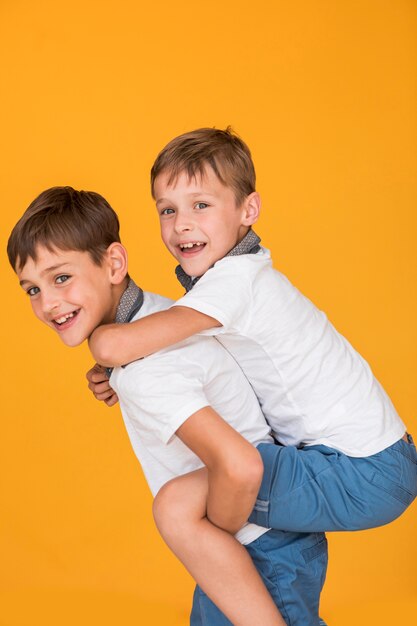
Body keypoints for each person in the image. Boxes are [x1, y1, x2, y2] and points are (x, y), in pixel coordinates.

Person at [87, 127, 417, 575]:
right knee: (207, 490)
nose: (181, 223)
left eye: (201, 205)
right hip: (373, 461)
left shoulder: (234, 283)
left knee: (189, 503)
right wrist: (116, 373)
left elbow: (116, 341)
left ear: (249, 209)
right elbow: (177, 346)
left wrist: (107, 352)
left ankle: (231, 570)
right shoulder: (239, 277)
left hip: (360, 471)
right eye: (168, 209)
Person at [7, 186, 328, 626]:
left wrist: (203, 539)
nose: (48, 304)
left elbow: (238, 463)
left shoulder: (144, 370)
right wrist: (113, 375)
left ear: (114, 263)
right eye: (31, 289)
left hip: (259, 548)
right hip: (266, 538)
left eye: (61, 278)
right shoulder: (157, 319)